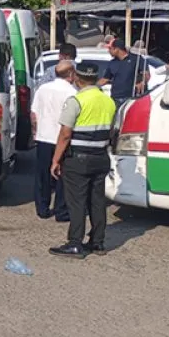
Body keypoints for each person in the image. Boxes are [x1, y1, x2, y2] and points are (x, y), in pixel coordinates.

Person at [50, 61, 117, 258]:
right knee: (97, 201)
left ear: (77, 78)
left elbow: (65, 134)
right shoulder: (109, 101)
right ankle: (97, 242)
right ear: (96, 78)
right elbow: (111, 131)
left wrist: (55, 160)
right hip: (100, 157)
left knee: (77, 201)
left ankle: (75, 243)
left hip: (77, 159)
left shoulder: (76, 101)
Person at [31, 60, 76, 221]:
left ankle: (42, 208)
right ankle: (61, 210)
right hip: (61, 138)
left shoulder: (42, 89)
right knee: (62, 175)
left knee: (42, 174)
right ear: (71, 74)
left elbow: (34, 114)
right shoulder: (72, 92)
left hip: (43, 136)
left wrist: (35, 130)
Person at [99, 39, 149, 107]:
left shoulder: (136, 59)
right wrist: (92, 86)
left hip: (131, 98)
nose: (108, 51)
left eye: (110, 49)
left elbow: (146, 74)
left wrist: (143, 82)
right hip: (115, 98)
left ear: (116, 49)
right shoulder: (112, 63)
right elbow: (105, 79)